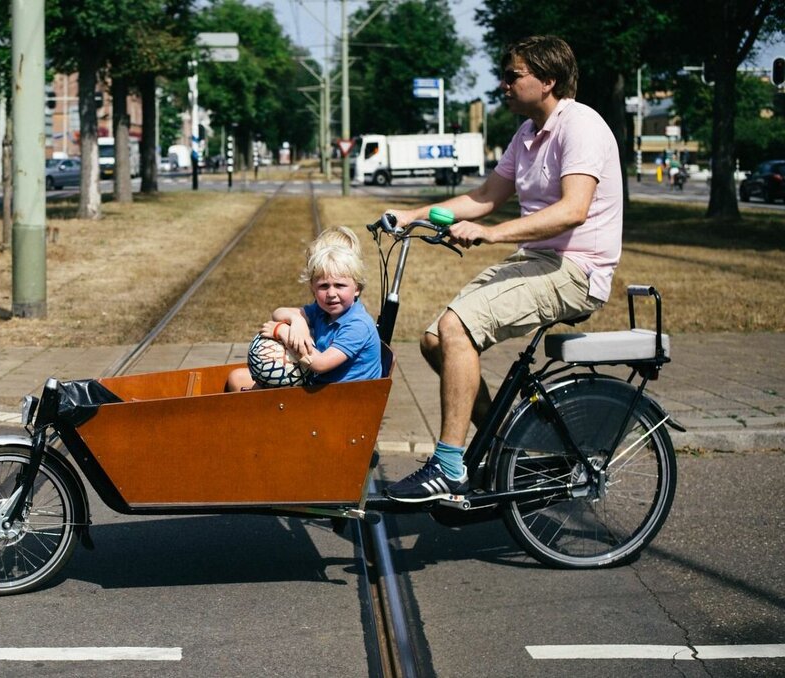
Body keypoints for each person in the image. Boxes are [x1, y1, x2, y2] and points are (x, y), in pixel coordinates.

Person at [383, 35, 623, 502]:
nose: (503, 85)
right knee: (434, 339)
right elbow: (483, 198)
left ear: (548, 80)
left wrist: (491, 233)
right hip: (539, 259)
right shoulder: (528, 134)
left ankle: (449, 466)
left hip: (577, 269)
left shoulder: (582, 126)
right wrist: (413, 215)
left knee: (456, 329)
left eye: (513, 76)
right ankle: (499, 447)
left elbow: (574, 210)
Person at [226, 226, 382, 391]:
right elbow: (278, 313)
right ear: (313, 288)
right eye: (323, 286)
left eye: (339, 285)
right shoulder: (323, 311)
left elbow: (320, 364)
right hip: (320, 385)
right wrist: (297, 320)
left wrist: (282, 332)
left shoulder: (358, 325)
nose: (331, 293)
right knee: (236, 378)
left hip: (340, 399)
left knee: (246, 394)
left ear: (357, 288)